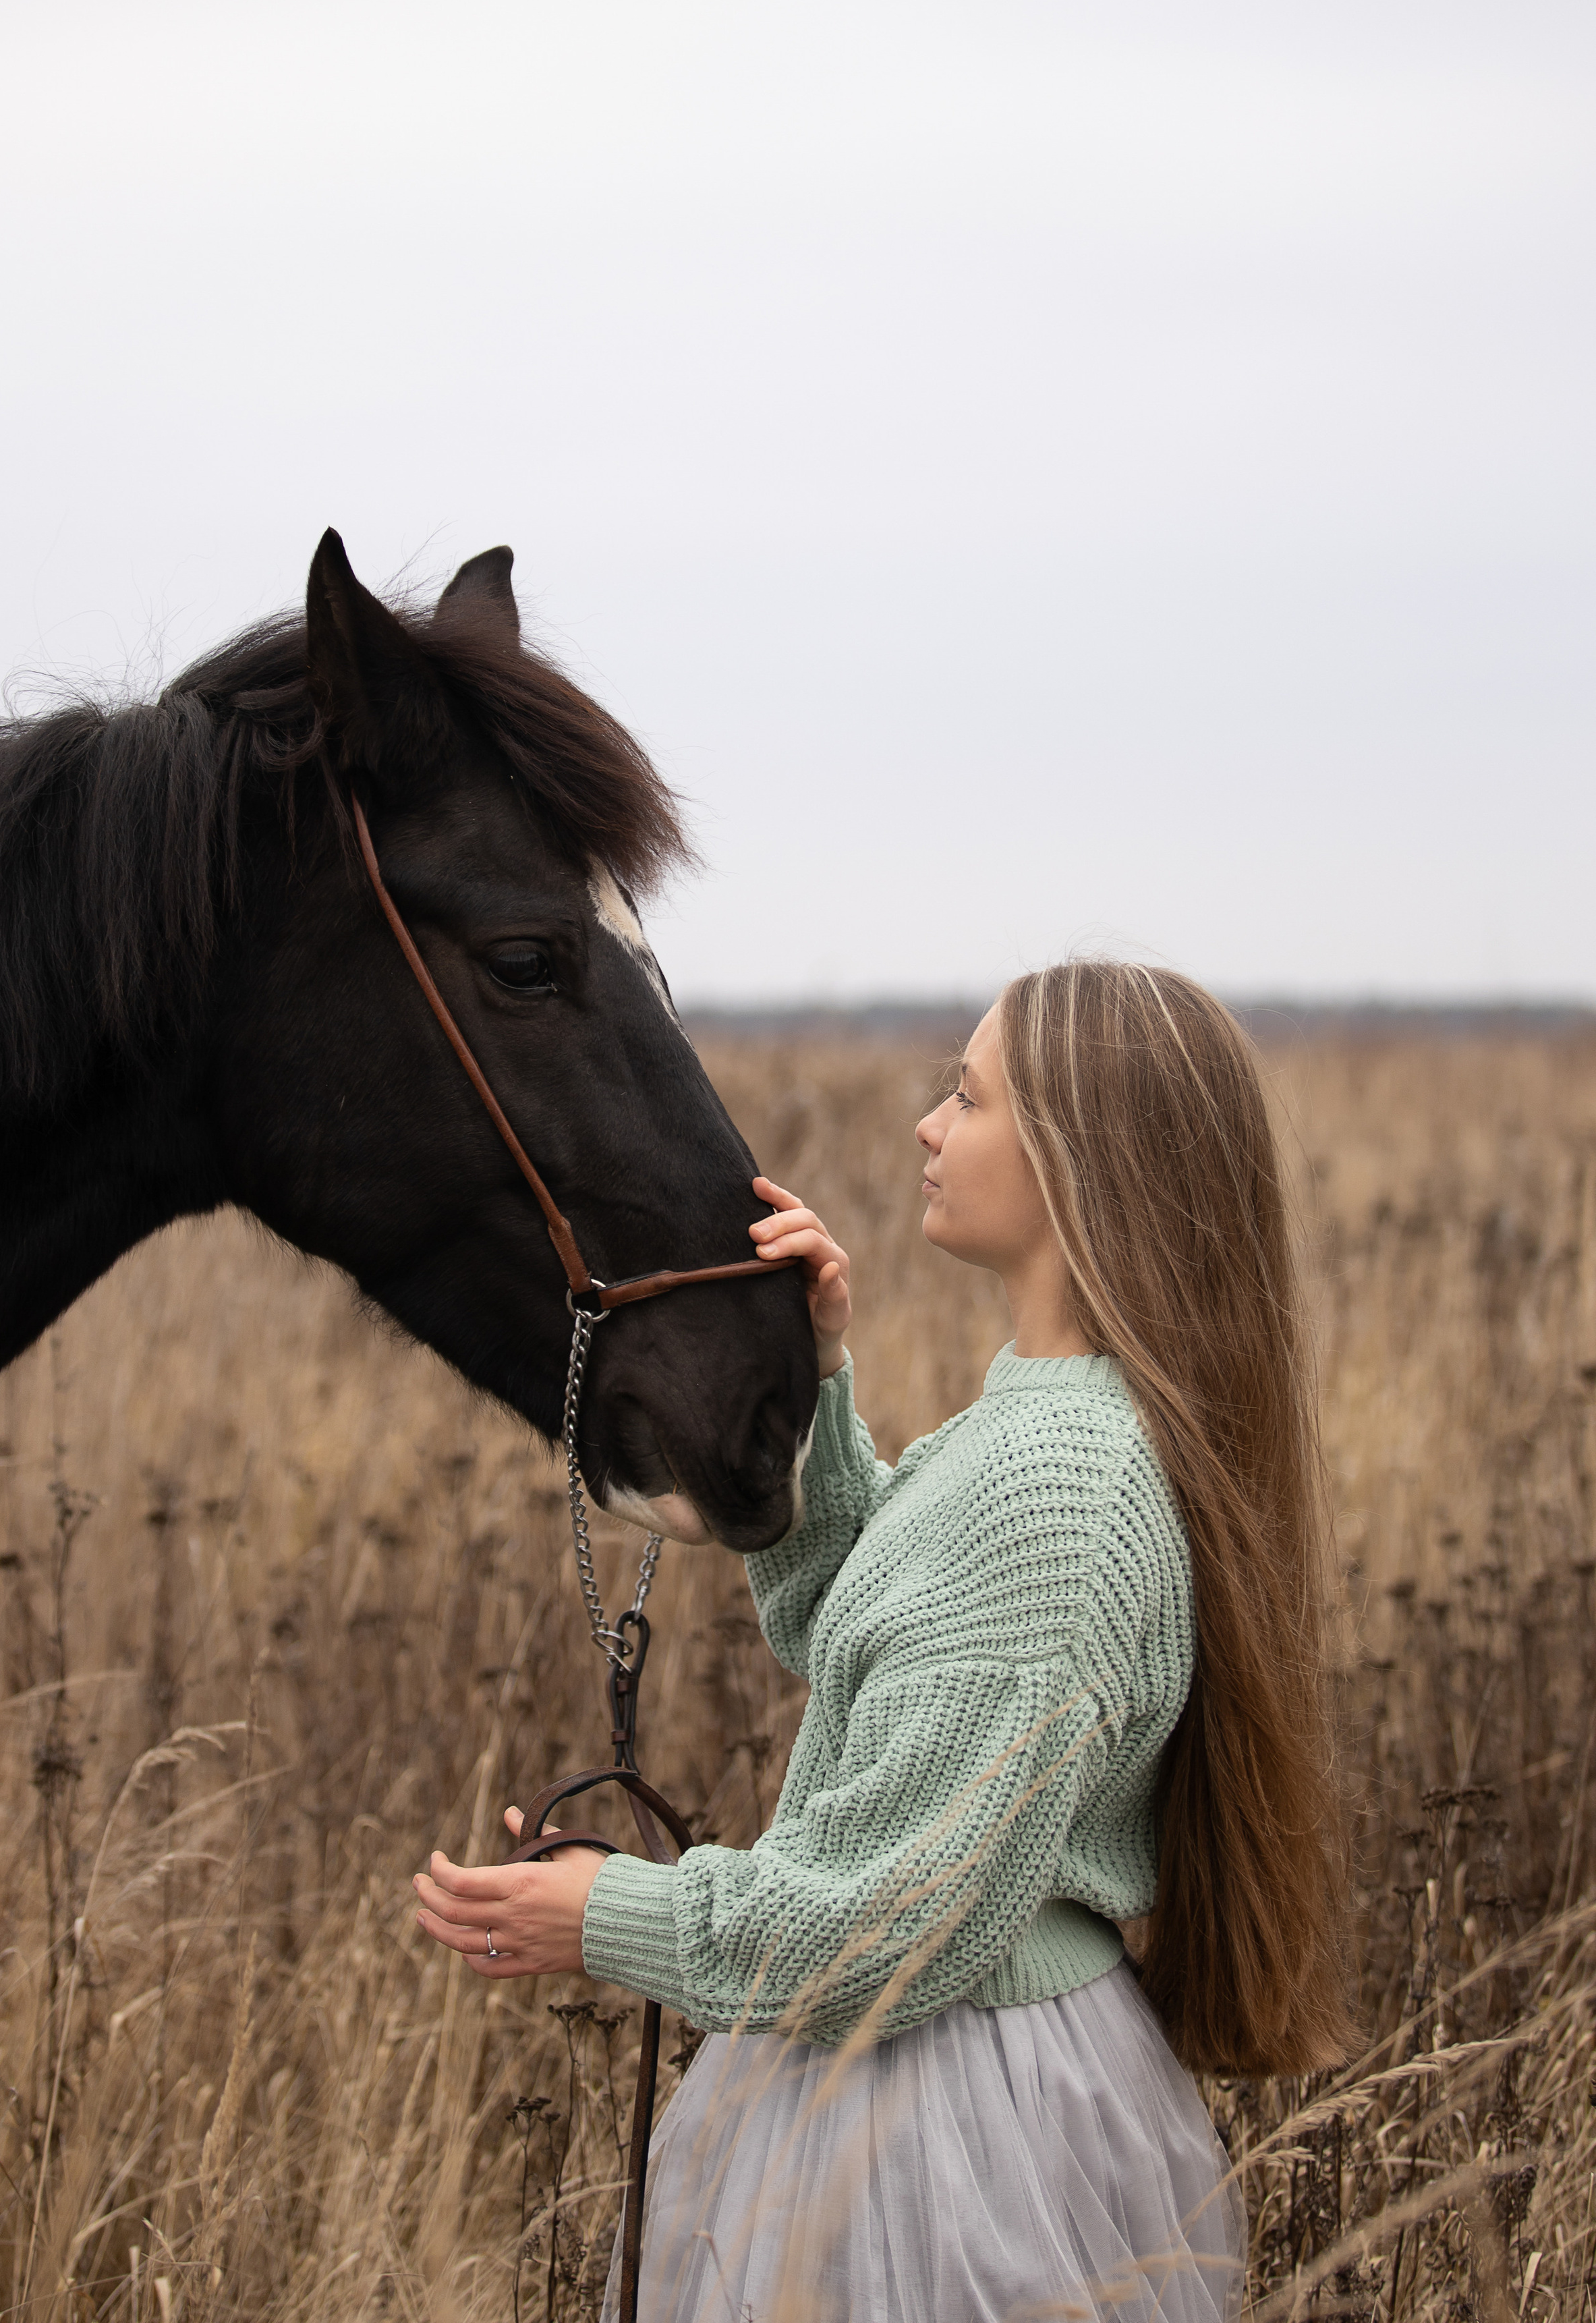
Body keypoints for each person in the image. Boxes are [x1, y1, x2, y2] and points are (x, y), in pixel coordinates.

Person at [414, 963, 1351, 2323]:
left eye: (966, 1097)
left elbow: (893, 1934)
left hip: (948, 2134)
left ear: (1076, 1164)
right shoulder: (1033, 1423)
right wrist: (815, 1376)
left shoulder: (1059, 1486)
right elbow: (850, 1621)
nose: (925, 1125)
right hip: (935, 2080)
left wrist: (606, 1915)